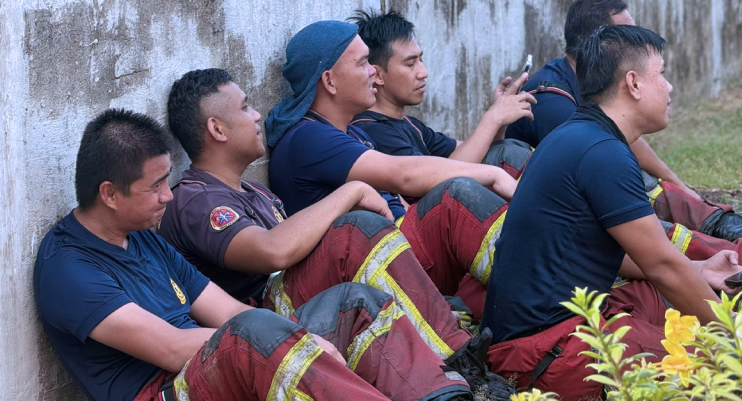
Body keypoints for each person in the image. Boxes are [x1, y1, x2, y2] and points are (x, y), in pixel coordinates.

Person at [34, 109, 478, 401]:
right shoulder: (67, 268)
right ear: (109, 194)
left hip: (214, 362)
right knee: (255, 333)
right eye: (155, 187)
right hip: (168, 390)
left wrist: (294, 335)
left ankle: (452, 391)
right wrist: (291, 339)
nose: (167, 196)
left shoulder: (142, 233)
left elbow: (224, 309)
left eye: (167, 181)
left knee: (356, 304)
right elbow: (172, 350)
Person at [159, 68, 515, 399]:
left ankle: (468, 365)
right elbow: (273, 252)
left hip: (298, 308)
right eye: (246, 107)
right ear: (217, 129)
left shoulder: (258, 193)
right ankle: (468, 369)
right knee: (354, 233)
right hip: (261, 330)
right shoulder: (193, 199)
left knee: (367, 271)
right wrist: (352, 191)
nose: (257, 116)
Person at [482, 25, 742, 400]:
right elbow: (662, 267)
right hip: (544, 354)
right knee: (736, 362)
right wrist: (738, 342)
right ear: (633, 83)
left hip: (535, 340)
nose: (669, 88)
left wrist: (700, 269)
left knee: (676, 308)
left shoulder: (580, 137)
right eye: (662, 74)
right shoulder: (601, 152)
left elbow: (599, 250)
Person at [265, 21, 517, 322]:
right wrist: (493, 175)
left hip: (397, 255)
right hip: (367, 275)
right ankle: (546, 280)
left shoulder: (352, 135)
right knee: (454, 200)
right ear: (330, 81)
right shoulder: (307, 138)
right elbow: (405, 175)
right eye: (362, 64)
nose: (373, 71)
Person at [505, 0, 742, 245]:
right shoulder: (552, 101)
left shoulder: (586, 82)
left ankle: (734, 227)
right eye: (629, 34)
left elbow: (623, 136)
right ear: (602, 41)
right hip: (567, 221)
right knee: (639, 185)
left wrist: (678, 184)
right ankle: (727, 238)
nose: (639, 40)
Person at [348, 10, 536, 180]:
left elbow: (479, 153)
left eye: (421, 60)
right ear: (378, 75)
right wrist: (492, 118)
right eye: (410, 64)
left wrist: (500, 119)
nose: (423, 72)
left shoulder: (411, 125)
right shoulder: (372, 131)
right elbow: (448, 182)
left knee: (508, 149)